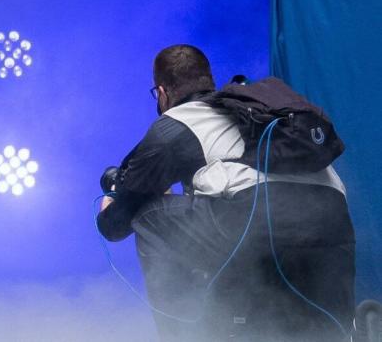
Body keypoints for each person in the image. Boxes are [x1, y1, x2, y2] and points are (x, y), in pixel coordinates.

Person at [97, 44, 355, 342]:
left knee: (148, 216)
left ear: (162, 92)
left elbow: (116, 225)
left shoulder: (178, 123)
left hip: (260, 223)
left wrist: (111, 207)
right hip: (334, 226)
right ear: (209, 79)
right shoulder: (256, 109)